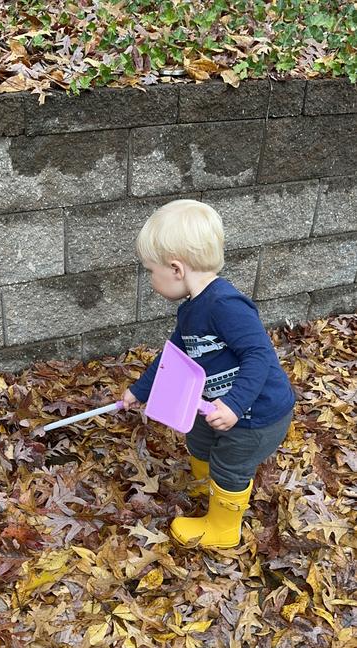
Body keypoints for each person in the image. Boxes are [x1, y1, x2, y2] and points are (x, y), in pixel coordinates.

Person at [122, 199, 295, 550]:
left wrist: (234, 405)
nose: (150, 280)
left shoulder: (225, 305)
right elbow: (173, 357)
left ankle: (223, 527)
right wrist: (140, 390)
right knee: (199, 438)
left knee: (231, 465)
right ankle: (206, 486)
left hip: (255, 414)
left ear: (176, 268)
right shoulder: (192, 309)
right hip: (216, 405)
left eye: (150, 271)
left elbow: (259, 355)